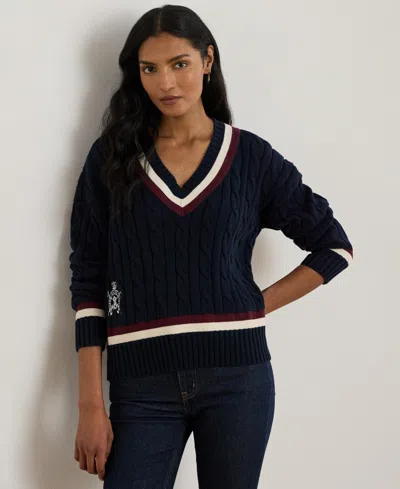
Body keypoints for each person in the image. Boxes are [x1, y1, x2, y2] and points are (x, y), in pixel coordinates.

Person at [68, 5, 353, 488]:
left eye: (179, 63)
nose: (165, 83)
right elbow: (89, 279)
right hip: (140, 387)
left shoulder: (251, 158)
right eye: (150, 69)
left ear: (207, 60)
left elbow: (334, 248)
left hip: (238, 381)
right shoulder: (112, 160)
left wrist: (253, 307)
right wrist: (90, 404)